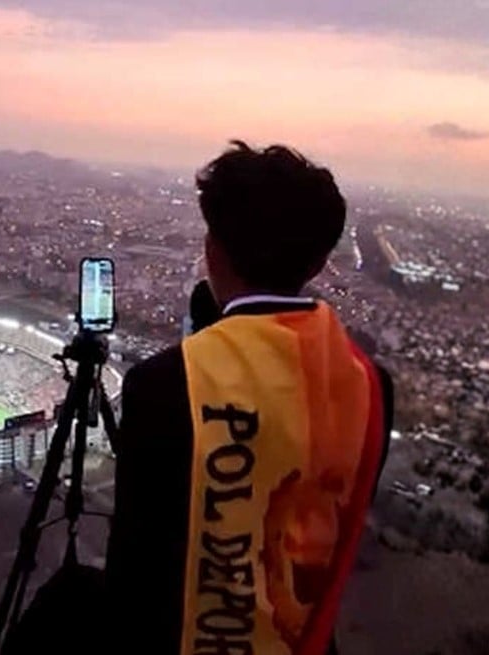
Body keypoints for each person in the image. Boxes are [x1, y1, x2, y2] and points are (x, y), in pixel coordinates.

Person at [106, 141, 393, 655]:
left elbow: (134, 573)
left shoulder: (163, 384)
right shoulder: (370, 386)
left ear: (213, 251)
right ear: (321, 262)